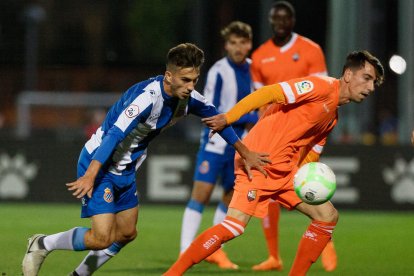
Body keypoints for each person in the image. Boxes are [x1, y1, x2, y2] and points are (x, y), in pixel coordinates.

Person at [21, 43, 270, 276]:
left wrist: (245, 152)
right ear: (168, 76)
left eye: (194, 80)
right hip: (100, 162)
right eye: (185, 80)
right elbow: (114, 134)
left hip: (126, 169)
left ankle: (78, 274)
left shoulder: (189, 99)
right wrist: (91, 174)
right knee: (102, 237)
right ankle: (42, 243)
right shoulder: (146, 97)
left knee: (127, 233)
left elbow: (219, 120)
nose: (191, 86)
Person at [164, 50, 384, 276]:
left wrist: (307, 182)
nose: (371, 87)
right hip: (257, 161)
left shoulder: (332, 117)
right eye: (366, 78)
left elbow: (311, 154)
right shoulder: (320, 87)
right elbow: (269, 93)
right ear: (348, 74)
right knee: (234, 226)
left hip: (285, 171)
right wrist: (228, 117)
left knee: (327, 216)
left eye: (374, 82)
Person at [249, 1, 334, 271]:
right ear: (271, 21)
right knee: (271, 192)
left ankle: (326, 240)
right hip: (275, 134)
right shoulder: (260, 55)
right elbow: (261, 99)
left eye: (285, 19)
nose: (280, 24)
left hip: (306, 133)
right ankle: (274, 256)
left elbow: (325, 93)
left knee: (310, 185)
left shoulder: (311, 50)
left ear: (293, 21)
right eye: (276, 19)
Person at [179, 21, 257, 270]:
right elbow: (212, 111)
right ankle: (184, 252)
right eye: (233, 42)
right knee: (199, 197)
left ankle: (215, 250)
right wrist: (252, 117)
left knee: (229, 198)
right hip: (215, 144)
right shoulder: (218, 71)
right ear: (226, 45)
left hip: (240, 145)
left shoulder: (255, 70)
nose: (238, 47)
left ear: (249, 44)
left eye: (243, 42)